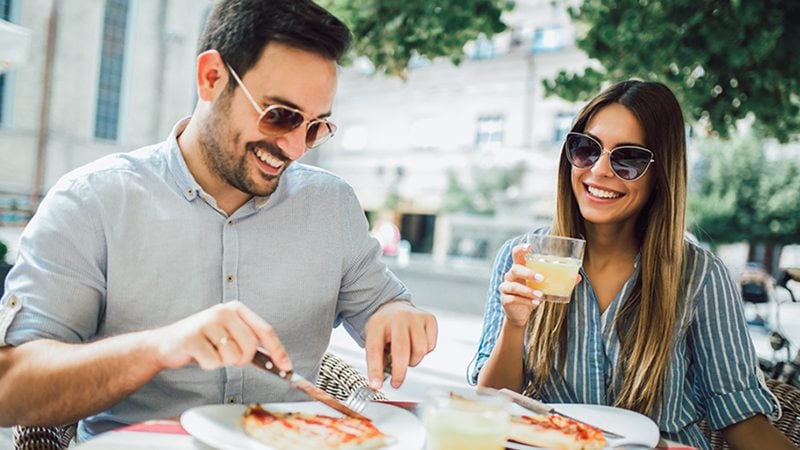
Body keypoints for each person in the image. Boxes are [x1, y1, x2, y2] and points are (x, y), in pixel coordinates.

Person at [0, 0, 437, 441]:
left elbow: (382, 305)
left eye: (314, 127)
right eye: (279, 115)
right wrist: (158, 347)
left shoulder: (331, 204)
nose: (295, 148)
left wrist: (397, 313)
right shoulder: (91, 202)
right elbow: (8, 389)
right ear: (212, 78)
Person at [468, 80, 795, 449]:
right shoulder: (522, 258)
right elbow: (493, 404)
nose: (600, 170)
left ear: (661, 175)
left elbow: (742, 421)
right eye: (586, 149)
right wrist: (515, 324)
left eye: (628, 159)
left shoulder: (700, 277)